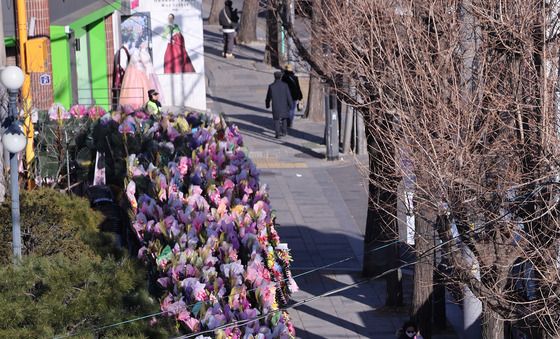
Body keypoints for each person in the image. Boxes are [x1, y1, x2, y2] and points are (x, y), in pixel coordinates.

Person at [266, 72, 294, 139]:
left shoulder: (271, 86)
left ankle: (277, 134)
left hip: (275, 106)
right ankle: (284, 132)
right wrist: (291, 104)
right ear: (281, 77)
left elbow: (268, 97)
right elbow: (288, 96)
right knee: (284, 118)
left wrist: (267, 104)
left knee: (276, 120)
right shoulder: (285, 85)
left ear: (274, 77)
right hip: (284, 105)